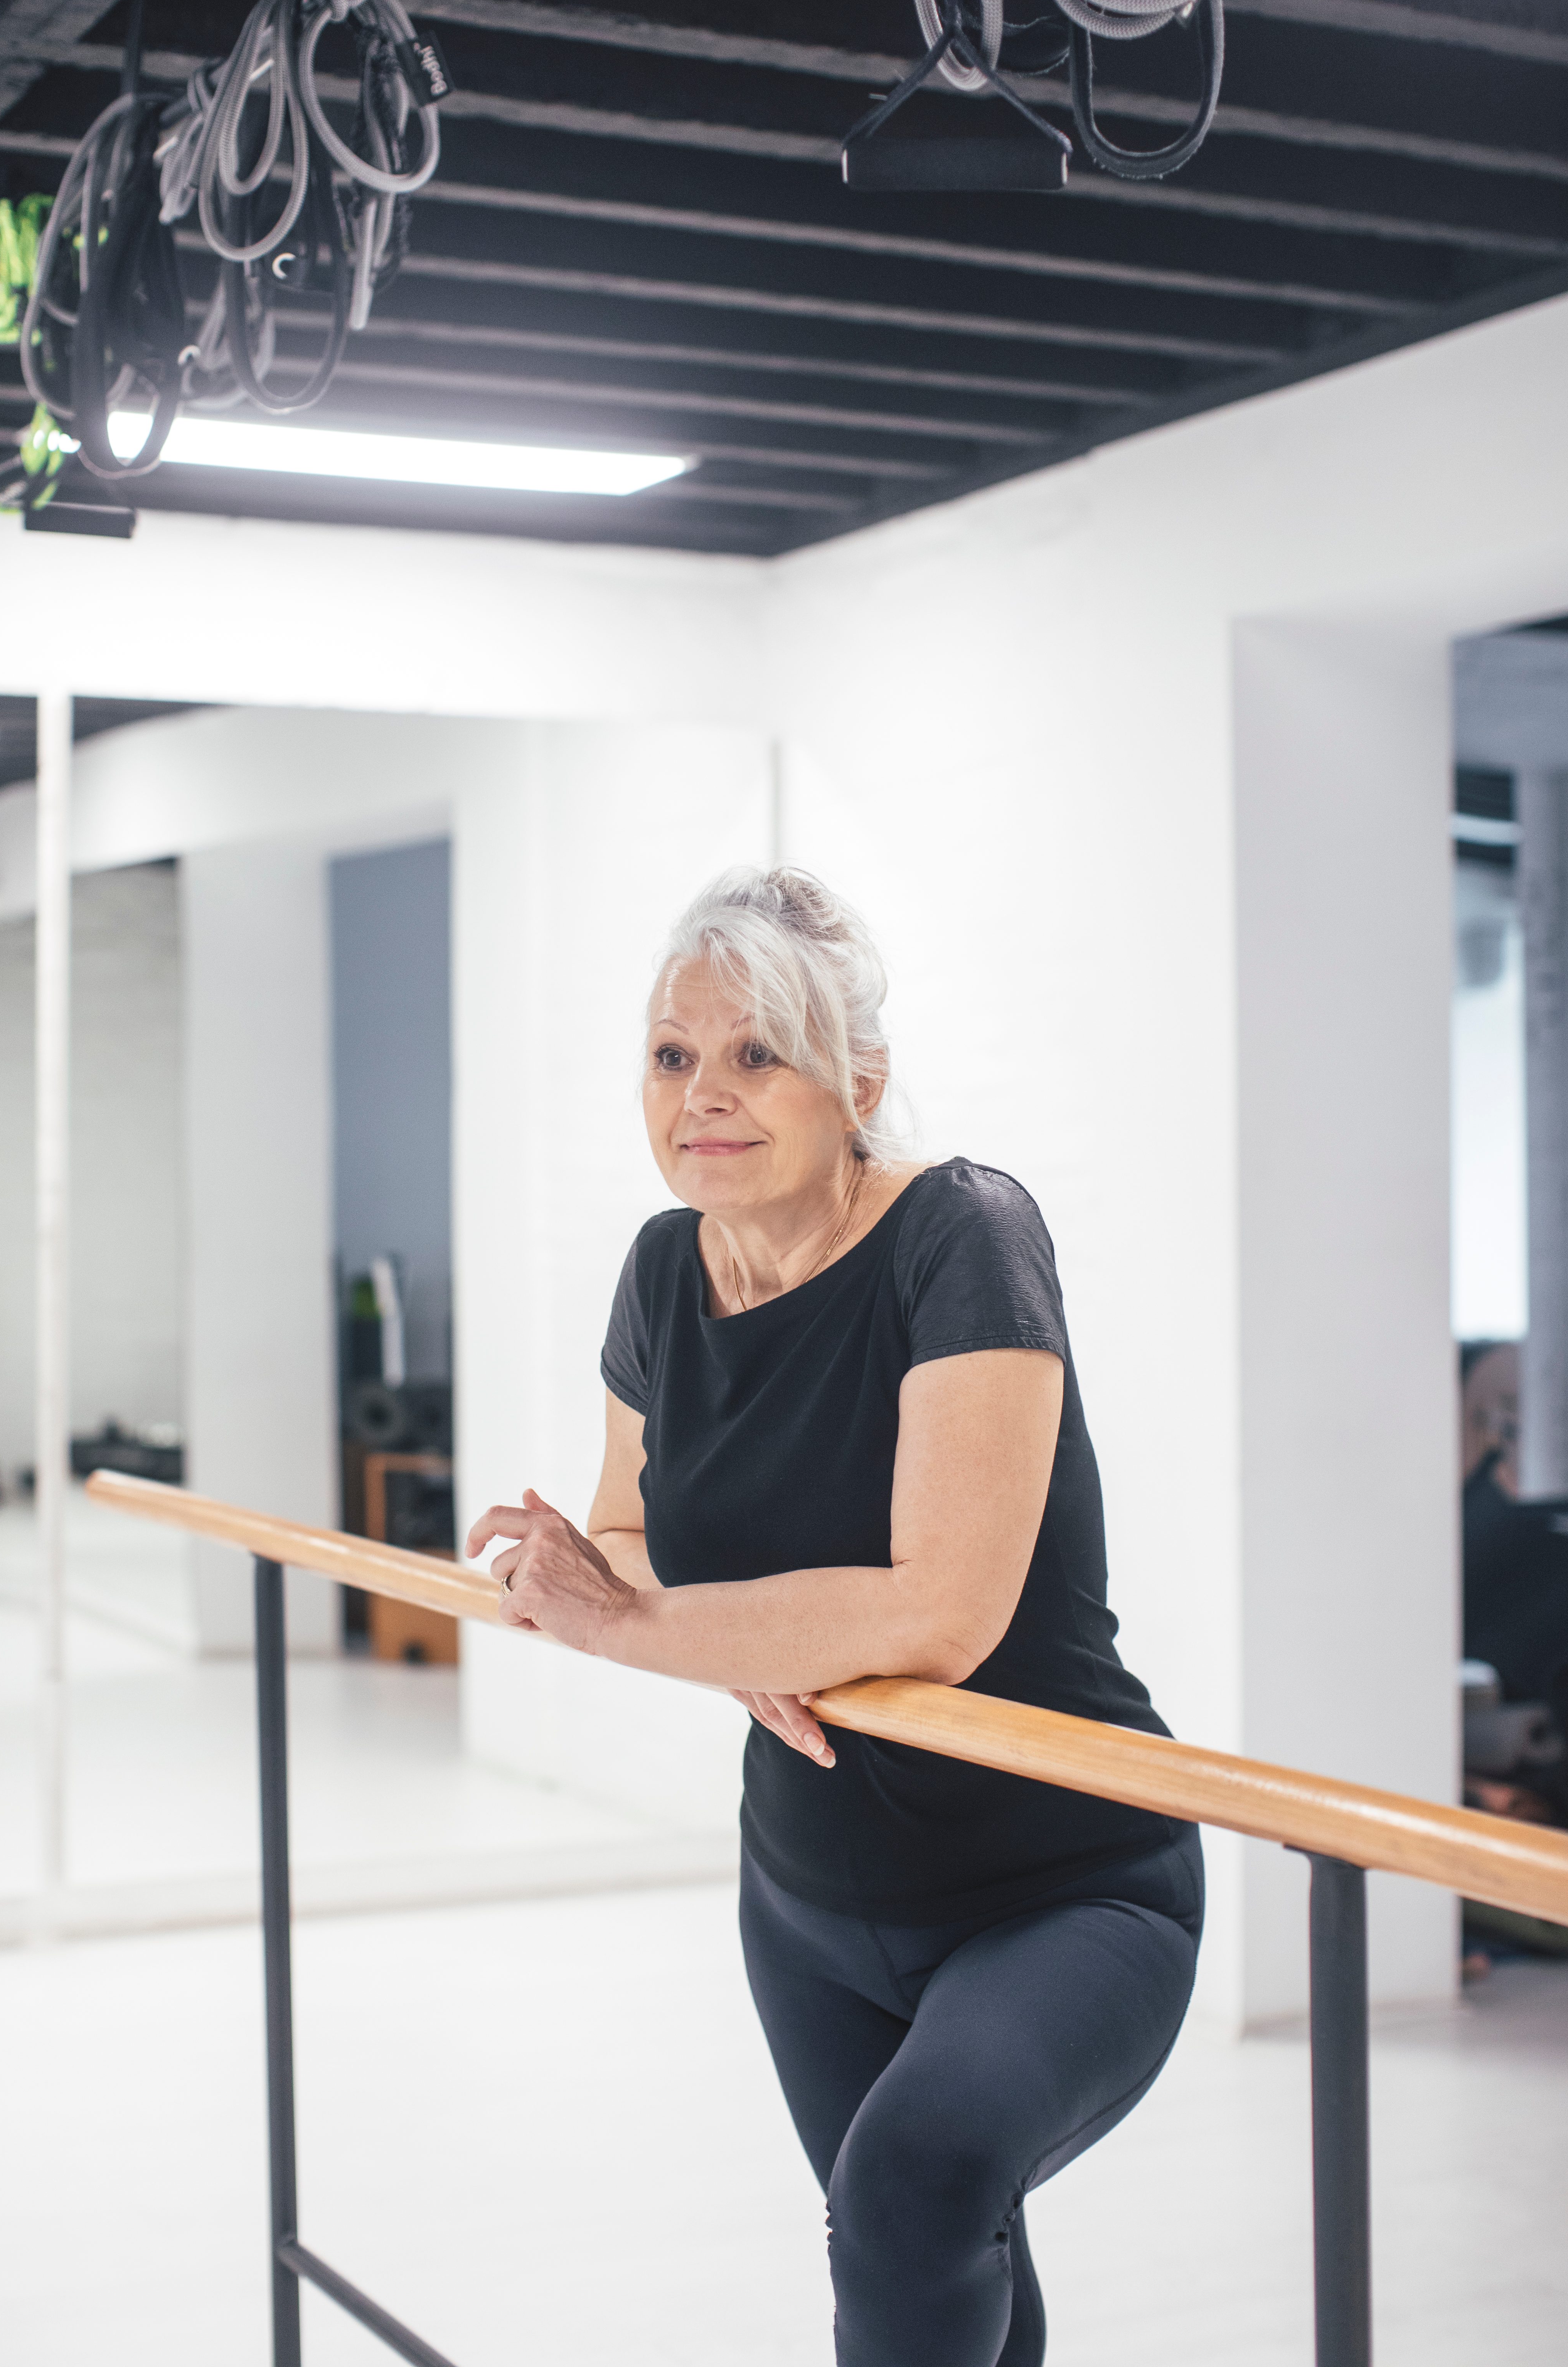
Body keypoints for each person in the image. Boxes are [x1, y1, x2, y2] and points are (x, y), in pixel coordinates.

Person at [467, 866, 1202, 2367]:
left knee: (916, 2189)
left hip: (1062, 1884)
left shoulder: (959, 1237)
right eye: (673, 1056)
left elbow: (937, 1613)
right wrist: (724, 1635)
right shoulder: (665, 1271)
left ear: (857, 1078)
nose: (704, 1096)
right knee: (930, 2238)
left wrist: (639, 1629)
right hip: (807, 1898)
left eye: (759, 1054)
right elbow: (626, 1533)